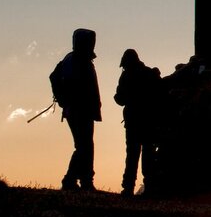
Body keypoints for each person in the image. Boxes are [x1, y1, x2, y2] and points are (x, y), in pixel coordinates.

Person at [50, 28, 102, 191]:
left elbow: (54, 77)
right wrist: (66, 100)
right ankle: (74, 180)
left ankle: (82, 180)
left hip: (80, 110)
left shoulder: (73, 59)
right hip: (80, 110)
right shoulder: (77, 61)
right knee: (84, 146)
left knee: (85, 146)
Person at [114, 48, 162, 197]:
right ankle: (150, 186)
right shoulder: (149, 74)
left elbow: (120, 98)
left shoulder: (126, 76)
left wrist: (119, 98)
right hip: (149, 121)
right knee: (148, 154)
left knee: (132, 155)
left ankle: (128, 187)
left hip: (134, 121)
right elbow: (159, 95)